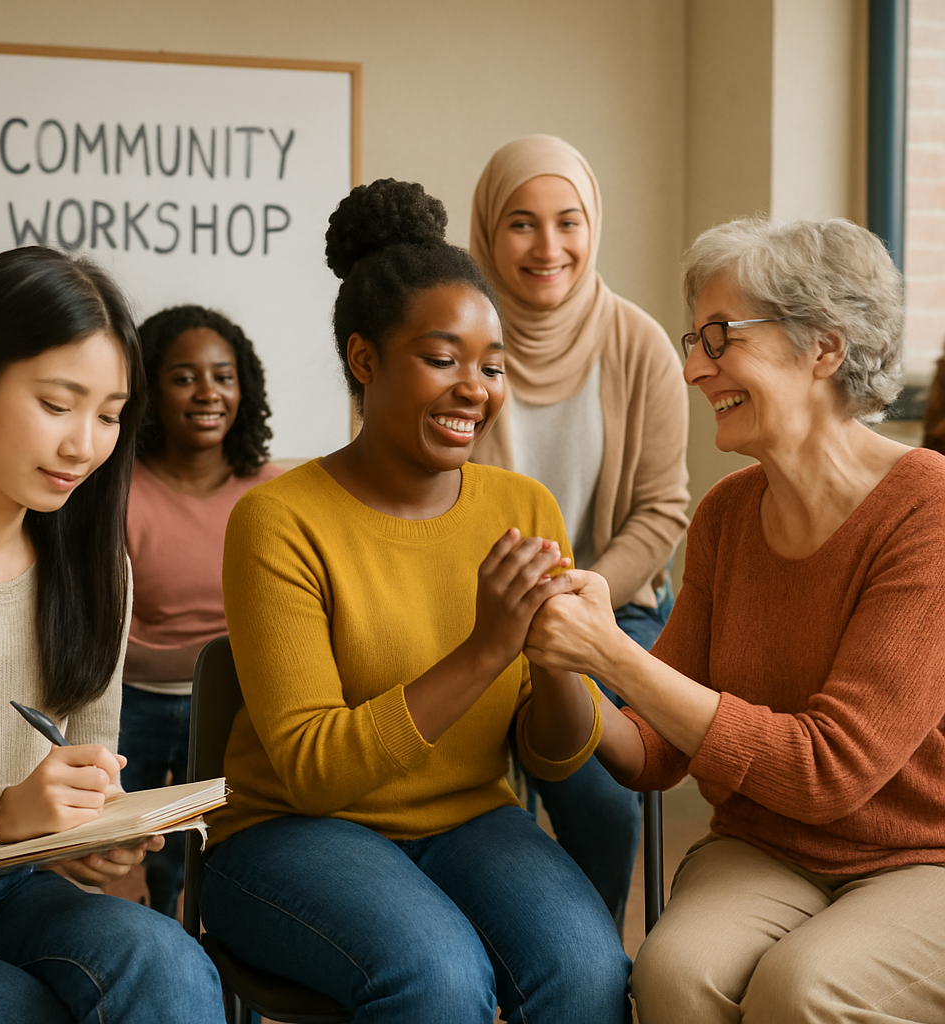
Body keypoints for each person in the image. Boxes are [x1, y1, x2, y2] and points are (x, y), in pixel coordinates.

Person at [199, 179, 632, 1023]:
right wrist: (485, 650)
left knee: (589, 973)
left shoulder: (523, 508)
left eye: (492, 367)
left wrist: (553, 662)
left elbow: (550, 758)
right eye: (443, 360)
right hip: (288, 831)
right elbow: (314, 774)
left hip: (470, 819)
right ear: (365, 361)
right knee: (438, 979)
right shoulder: (279, 520)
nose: (476, 388)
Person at [525, 217, 945, 1024]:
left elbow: (830, 772)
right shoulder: (725, 514)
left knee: (804, 987)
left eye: (720, 337)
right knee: (673, 974)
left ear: (825, 348)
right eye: (694, 340)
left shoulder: (927, 510)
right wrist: (557, 656)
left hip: (921, 859)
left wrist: (612, 654)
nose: (692, 368)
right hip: (765, 848)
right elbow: (653, 750)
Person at [0, 246, 225, 1024]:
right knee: (23, 1011)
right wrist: (2, 814)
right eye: (58, 405)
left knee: (166, 963)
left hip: (11, 891)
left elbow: (87, 766)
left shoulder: (93, 567)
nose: (83, 446)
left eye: (110, 414)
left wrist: (91, 836)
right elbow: (9, 814)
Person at [469, 134, 690, 930]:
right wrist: (513, 610)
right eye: (521, 223)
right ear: (487, 229)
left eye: (568, 221)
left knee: (598, 791)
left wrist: (573, 601)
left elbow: (663, 510)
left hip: (614, 610)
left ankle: (585, 963)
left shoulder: (640, 344)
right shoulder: (453, 340)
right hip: (473, 610)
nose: (548, 246)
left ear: (594, 225)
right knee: (453, 784)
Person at [119, 304, 282, 918]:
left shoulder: (273, 494)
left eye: (223, 376)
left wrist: (216, 660)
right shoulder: (115, 489)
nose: (208, 392)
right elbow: (108, 640)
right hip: (129, 705)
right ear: (150, 392)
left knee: (216, 854)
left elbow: (288, 628)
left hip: (235, 706)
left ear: (245, 388)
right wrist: (229, 647)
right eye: (184, 378)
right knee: (124, 849)